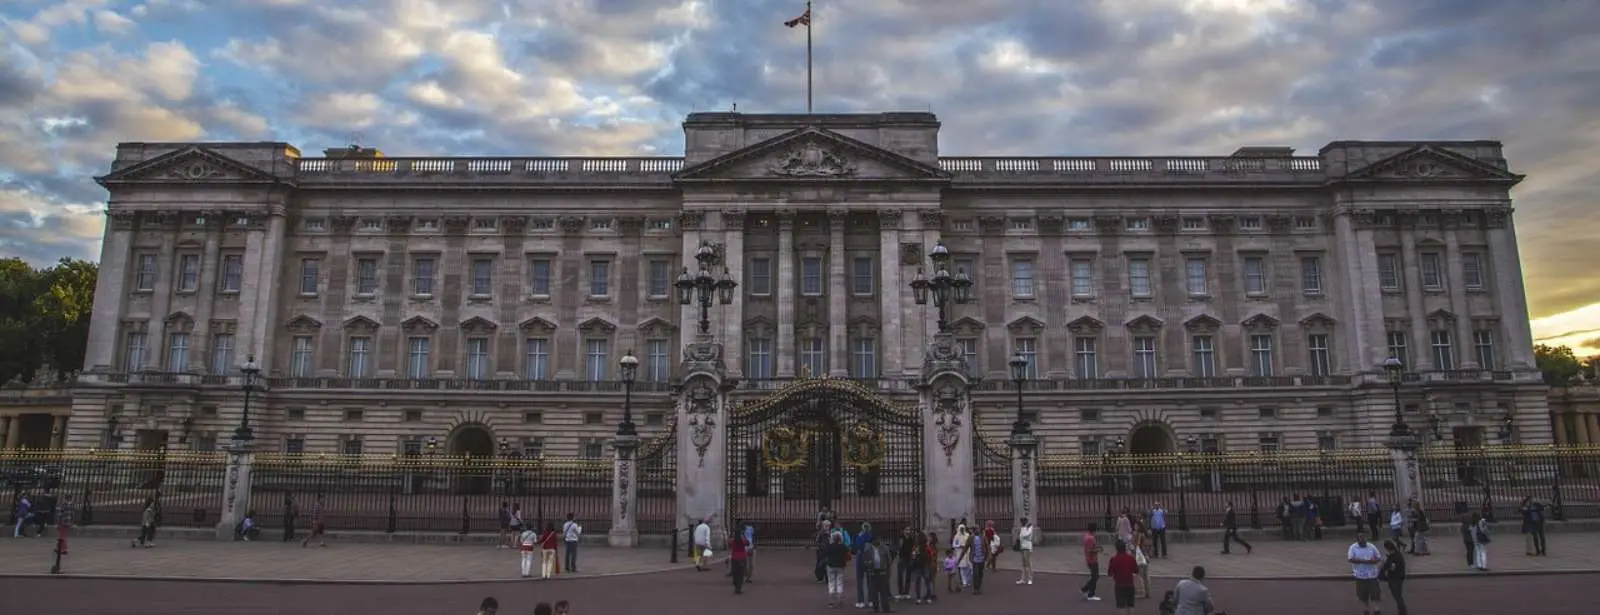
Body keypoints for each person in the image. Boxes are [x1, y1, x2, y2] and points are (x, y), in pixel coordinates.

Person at [1348, 529, 1383, 615]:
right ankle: (1366, 609)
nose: (1363, 539)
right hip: (1360, 574)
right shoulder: (1353, 547)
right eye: (1360, 537)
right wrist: (1364, 561)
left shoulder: (1371, 546)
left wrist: (1375, 560)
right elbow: (1350, 559)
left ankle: (1376, 609)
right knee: (1363, 594)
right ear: (1357, 539)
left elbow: (1378, 557)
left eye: (1364, 537)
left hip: (1372, 574)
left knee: (1374, 592)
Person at [1107, 540, 1139, 615]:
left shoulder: (1114, 559)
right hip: (1130, 584)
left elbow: (1109, 573)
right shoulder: (1131, 558)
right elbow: (1136, 571)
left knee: (1121, 606)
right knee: (1131, 605)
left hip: (1119, 584)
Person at [865, 534, 895, 612]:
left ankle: (886, 608)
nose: (879, 541)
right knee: (874, 591)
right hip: (873, 572)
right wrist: (869, 563)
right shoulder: (868, 549)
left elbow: (889, 560)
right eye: (877, 540)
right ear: (873, 541)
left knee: (884, 591)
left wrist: (888, 572)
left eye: (879, 539)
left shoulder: (885, 548)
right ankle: (876, 608)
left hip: (882, 571)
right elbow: (864, 561)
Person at [822, 530, 850, 607]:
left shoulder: (830, 546)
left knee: (831, 582)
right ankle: (839, 599)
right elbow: (848, 554)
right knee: (839, 582)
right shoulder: (843, 546)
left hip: (831, 565)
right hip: (841, 565)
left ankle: (831, 601)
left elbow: (824, 554)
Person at [1381, 539, 1408, 615]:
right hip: (1401, 577)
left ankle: (1403, 610)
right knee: (1399, 594)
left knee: (1397, 595)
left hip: (1393, 578)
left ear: (1387, 548)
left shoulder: (1391, 557)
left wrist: (1384, 563)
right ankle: (1400, 609)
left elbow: (1390, 567)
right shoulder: (1398, 554)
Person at [854, 521, 876, 607]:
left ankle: (861, 601)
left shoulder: (859, 536)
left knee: (860, 580)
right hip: (870, 558)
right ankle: (871, 600)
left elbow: (857, 546)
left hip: (860, 558)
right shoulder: (871, 536)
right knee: (870, 580)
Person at [1080, 522, 1102, 601]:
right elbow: (1090, 550)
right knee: (1095, 577)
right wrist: (1098, 550)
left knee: (1095, 576)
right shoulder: (1090, 538)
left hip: (1090, 559)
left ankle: (1085, 589)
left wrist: (1097, 548)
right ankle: (1091, 594)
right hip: (1092, 560)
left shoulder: (1088, 536)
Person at [1014, 516, 1037, 585]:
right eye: (1022, 522)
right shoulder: (1023, 528)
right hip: (1022, 547)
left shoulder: (1029, 528)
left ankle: (1030, 578)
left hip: (1027, 547)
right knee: (1023, 564)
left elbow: (1025, 535)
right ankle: (1023, 578)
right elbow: (1020, 536)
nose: (1022, 523)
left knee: (1029, 563)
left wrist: (1023, 529)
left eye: (1023, 521)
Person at [728, 525, 749, 595]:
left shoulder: (733, 541)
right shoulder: (743, 540)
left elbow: (729, 543)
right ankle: (739, 588)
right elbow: (747, 543)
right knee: (741, 574)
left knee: (735, 573)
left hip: (734, 558)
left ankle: (736, 585)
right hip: (742, 557)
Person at [965, 526, 986, 595]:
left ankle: (979, 587)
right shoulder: (970, 538)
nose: (978, 530)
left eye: (978, 529)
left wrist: (989, 556)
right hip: (974, 559)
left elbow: (987, 546)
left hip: (982, 558)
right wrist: (959, 559)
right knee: (975, 574)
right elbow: (965, 548)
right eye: (976, 529)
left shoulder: (983, 537)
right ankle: (975, 588)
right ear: (974, 530)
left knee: (980, 574)